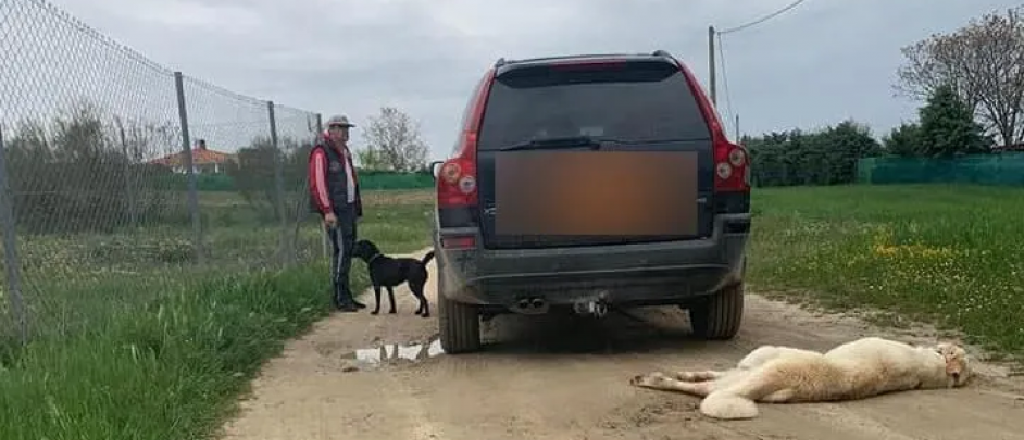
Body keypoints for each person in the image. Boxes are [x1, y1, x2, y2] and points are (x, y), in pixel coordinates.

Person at [308, 114, 366, 312]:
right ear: (330, 130)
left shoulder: (345, 152)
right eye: (340, 128)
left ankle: (346, 294)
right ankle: (340, 298)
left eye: (346, 128)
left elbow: (352, 181)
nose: (344, 132)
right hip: (336, 211)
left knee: (347, 251)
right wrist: (327, 211)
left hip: (348, 209)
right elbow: (318, 184)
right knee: (341, 252)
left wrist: (356, 208)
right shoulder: (321, 152)